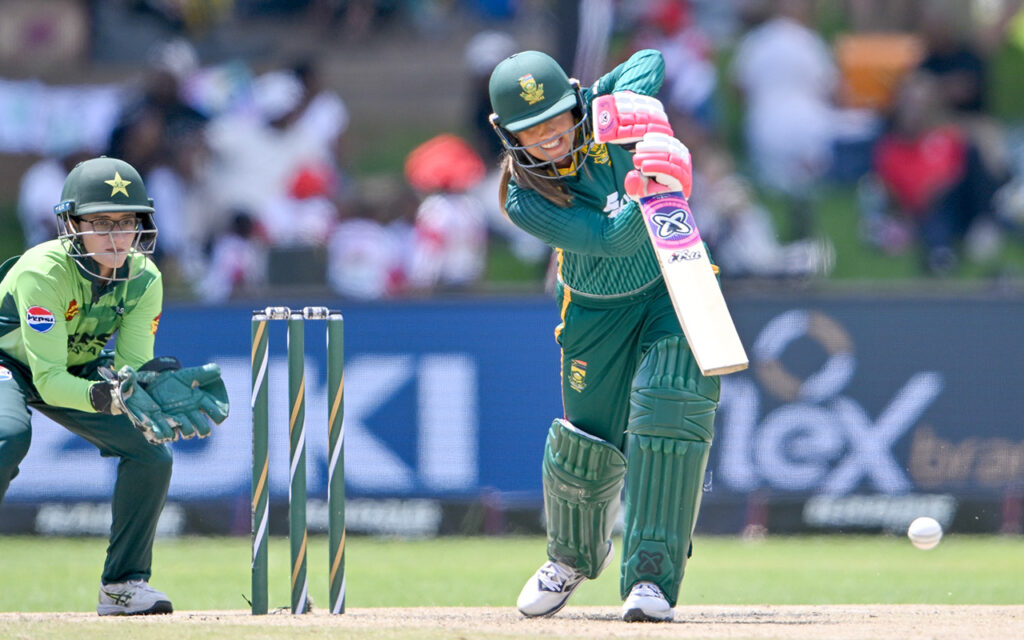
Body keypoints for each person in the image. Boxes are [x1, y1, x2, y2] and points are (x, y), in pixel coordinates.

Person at [487, 49, 720, 622]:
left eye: (557, 119)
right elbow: (613, 240)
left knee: (671, 404)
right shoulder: (524, 198)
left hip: (672, 283)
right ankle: (569, 559)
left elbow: (652, 59)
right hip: (595, 311)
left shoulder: (595, 111)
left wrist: (627, 108)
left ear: (573, 100)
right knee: (586, 449)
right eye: (531, 131)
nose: (549, 138)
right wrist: (658, 182)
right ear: (504, 133)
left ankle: (651, 579)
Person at [0, 156, 230, 615]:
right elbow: (46, 379)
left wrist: (134, 390)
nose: (115, 236)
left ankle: (122, 585)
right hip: (11, 361)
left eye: (126, 222)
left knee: (152, 452)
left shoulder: (145, 278)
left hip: (80, 365)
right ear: (70, 224)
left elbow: (129, 369)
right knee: (8, 436)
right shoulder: (41, 271)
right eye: (101, 222)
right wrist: (104, 396)